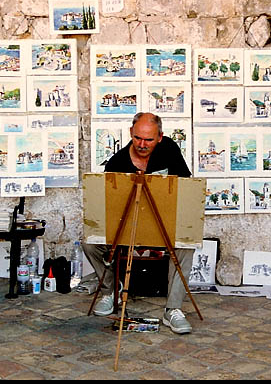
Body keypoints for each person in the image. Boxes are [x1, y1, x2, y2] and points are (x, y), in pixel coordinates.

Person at [82, 112, 194, 334]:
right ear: (131, 134)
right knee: (90, 243)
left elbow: (187, 187)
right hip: (126, 226)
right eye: (137, 138)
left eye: (149, 140)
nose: (142, 145)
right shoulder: (117, 162)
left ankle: (172, 310)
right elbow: (107, 204)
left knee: (186, 245)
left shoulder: (169, 150)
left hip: (162, 224)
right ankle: (110, 291)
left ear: (160, 137)